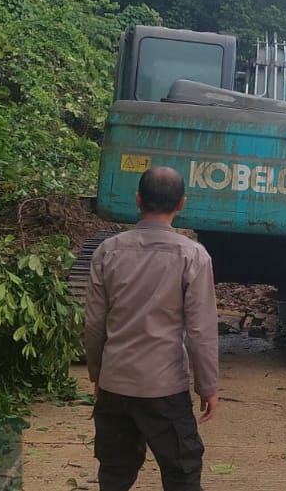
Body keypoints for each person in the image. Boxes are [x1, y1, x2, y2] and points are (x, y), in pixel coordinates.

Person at [84, 166, 219, 491]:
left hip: (115, 385)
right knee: (182, 474)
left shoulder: (108, 251)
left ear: (138, 200)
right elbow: (201, 331)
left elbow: (93, 323)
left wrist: (98, 375)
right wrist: (207, 386)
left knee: (114, 473)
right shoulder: (193, 256)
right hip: (165, 390)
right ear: (182, 204)